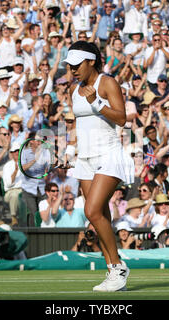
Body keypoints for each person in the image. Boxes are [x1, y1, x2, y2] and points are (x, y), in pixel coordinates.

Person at [63, 41, 133, 291]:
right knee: (99, 214)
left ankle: (118, 266)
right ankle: (113, 274)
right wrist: (69, 151)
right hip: (85, 158)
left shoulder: (107, 83)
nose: (72, 70)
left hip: (108, 154)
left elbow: (122, 118)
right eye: (69, 66)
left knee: (93, 212)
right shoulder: (75, 89)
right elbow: (77, 126)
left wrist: (97, 103)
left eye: (76, 65)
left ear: (91, 61)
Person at [2, 141, 23, 225]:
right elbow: (8, 184)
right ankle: (13, 217)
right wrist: (15, 171)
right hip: (11, 191)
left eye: (18, 151)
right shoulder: (7, 166)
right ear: (11, 153)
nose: (17, 153)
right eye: (15, 151)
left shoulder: (26, 164)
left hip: (24, 190)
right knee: (15, 195)